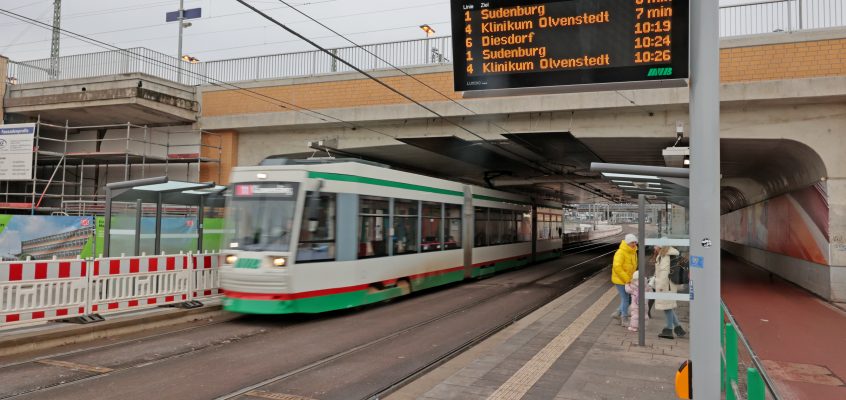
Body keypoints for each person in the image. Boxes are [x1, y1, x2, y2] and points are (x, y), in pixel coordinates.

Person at [653, 243, 686, 339]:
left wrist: (660, 286)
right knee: (668, 306)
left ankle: (668, 329)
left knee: (667, 307)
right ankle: (678, 328)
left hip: (666, 286)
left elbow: (664, 272)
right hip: (669, 285)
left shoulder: (665, 257)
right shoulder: (667, 254)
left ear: (660, 247)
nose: (655, 248)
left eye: (656, 247)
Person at [611, 233, 638, 327]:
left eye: (635, 242)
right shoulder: (620, 252)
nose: (634, 244)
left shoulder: (633, 251)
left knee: (629, 299)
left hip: (628, 280)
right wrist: (627, 279)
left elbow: (633, 267)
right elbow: (617, 267)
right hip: (620, 280)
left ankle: (617, 313)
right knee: (626, 299)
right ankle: (624, 319)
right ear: (627, 243)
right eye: (632, 242)